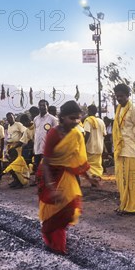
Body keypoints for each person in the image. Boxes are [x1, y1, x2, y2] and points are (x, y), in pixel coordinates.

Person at [38, 101, 96, 254]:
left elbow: (78, 159)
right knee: (52, 213)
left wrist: (89, 178)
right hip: (50, 175)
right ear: (62, 117)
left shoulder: (77, 133)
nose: (76, 122)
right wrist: (51, 188)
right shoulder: (53, 134)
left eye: (78, 119)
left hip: (67, 175)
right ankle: (56, 246)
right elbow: (46, 162)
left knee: (68, 211)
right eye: (72, 118)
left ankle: (57, 245)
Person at [112, 84, 135, 215]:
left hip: (130, 150)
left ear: (128, 95)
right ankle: (125, 204)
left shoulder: (133, 109)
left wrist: (133, 141)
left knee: (132, 179)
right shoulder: (119, 108)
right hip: (120, 149)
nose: (119, 98)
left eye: (121, 96)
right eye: (117, 96)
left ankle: (134, 207)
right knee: (122, 179)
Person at [33, 100, 59, 183]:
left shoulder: (53, 119)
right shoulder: (35, 119)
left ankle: (48, 182)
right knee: (38, 166)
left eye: (44, 105)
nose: (42, 107)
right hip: (37, 147)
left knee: (46, 166)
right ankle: (40, 182)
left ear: (47, 106)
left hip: (47, 147)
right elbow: (35, 133)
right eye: (40, 105)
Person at [83, 105, 106, 182]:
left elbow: (87, 133)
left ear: (89, 111)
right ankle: (97, 178)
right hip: (99, 147)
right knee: (97, 165)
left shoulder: (88, 120)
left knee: (90, 165)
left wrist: (83, 144)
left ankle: (94, 180)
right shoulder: (101, 121)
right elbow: (103, 135)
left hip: (90, 147)